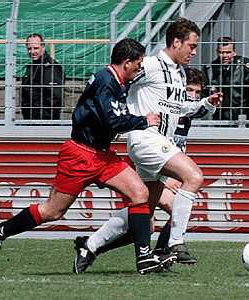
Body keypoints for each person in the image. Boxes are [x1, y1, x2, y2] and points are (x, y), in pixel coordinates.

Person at [0, 38, 175, 275]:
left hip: (102, 156)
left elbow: (103, 117)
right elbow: (112, 119)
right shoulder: (106, 82)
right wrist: (144, 121)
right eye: (138, 63)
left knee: (140, 193)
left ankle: (144, 256)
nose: (140, 68)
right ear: (126, 62)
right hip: (80, 155)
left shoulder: (116, 81)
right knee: (53, 211)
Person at [73, 18, 210, 273]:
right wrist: (112, 115)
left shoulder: (179, 73)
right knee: (193, 176)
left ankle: (89, 246)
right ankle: (173, 244)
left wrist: (205, 105)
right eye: (191, 46)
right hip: (146, 139)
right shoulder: (151, 65)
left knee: (143, 210)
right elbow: (117, 78)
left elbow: (176, 108)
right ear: (176, 42)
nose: (193, 51)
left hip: (158, 143)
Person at [203, 36, 249, 127]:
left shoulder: (245, 66)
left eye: (228, 52)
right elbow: (203, 93)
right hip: (219, 117)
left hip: (243, 117)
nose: (224, 56)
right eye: (221, 52)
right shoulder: (210, 69)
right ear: (217, 52)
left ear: (234, 52)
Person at [21, 33, 65, 120]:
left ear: (43, 47)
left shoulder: (50, 67)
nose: (32, 52)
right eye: (29, 48)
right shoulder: (33, 67)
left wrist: (43, 118)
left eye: (36, 48)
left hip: (44, 121)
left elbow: (55, 97)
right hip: (31, 119)